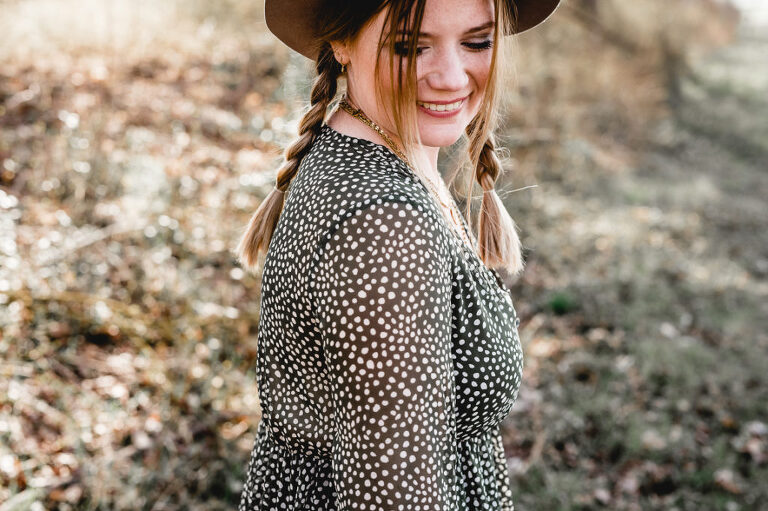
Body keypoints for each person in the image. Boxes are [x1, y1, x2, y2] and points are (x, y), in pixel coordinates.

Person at [234, 0, 561, 509]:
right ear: (340, 42)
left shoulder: (372, 156)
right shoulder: (386, 228)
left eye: (477, 42)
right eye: (410, 47)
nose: (452, 78)